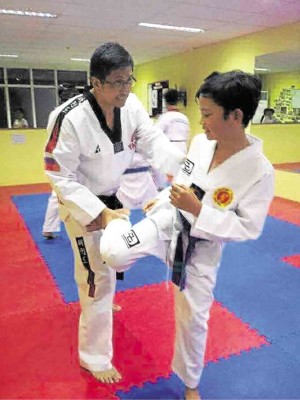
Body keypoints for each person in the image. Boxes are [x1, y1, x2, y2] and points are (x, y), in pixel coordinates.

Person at [100, 70, 275, 399]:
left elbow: (247, 227)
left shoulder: (259, 171)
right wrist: (167, 196)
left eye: (207, 115)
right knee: (115, 254)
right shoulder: (200, 143)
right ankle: (117, 219)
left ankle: (190, 383)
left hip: (203, 246)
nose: (201, 122)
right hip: (169, 221)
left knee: (194, 318)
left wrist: (198, 210)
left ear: (235, 116)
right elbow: (184, 180)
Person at [44, 42, 185, 384]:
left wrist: (184, 172)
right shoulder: (68, 118)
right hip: (81, 201)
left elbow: (153, 142)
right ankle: (94, 357)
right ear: (96, 82)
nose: (126, 89)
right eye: (118, 82)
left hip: (113, 194)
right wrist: (100, 213)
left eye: (129, 80)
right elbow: (59, 175)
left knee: (115, 258)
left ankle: (106, 298)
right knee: (94, 278)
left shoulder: (131, 105)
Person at [42, 84, 80, 239]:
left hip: (57, 155)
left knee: (59, 192)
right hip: (68, 156)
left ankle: (49, 228)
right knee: (66, 191)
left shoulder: (55, 113)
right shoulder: (73, 112)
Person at [152, 89, 190, 190]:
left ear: (166, 102)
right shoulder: (184, 118)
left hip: (169, 150)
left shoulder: (165, 117)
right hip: (182, 148)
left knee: (165, 179)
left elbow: (155, 134)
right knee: (179, 177)